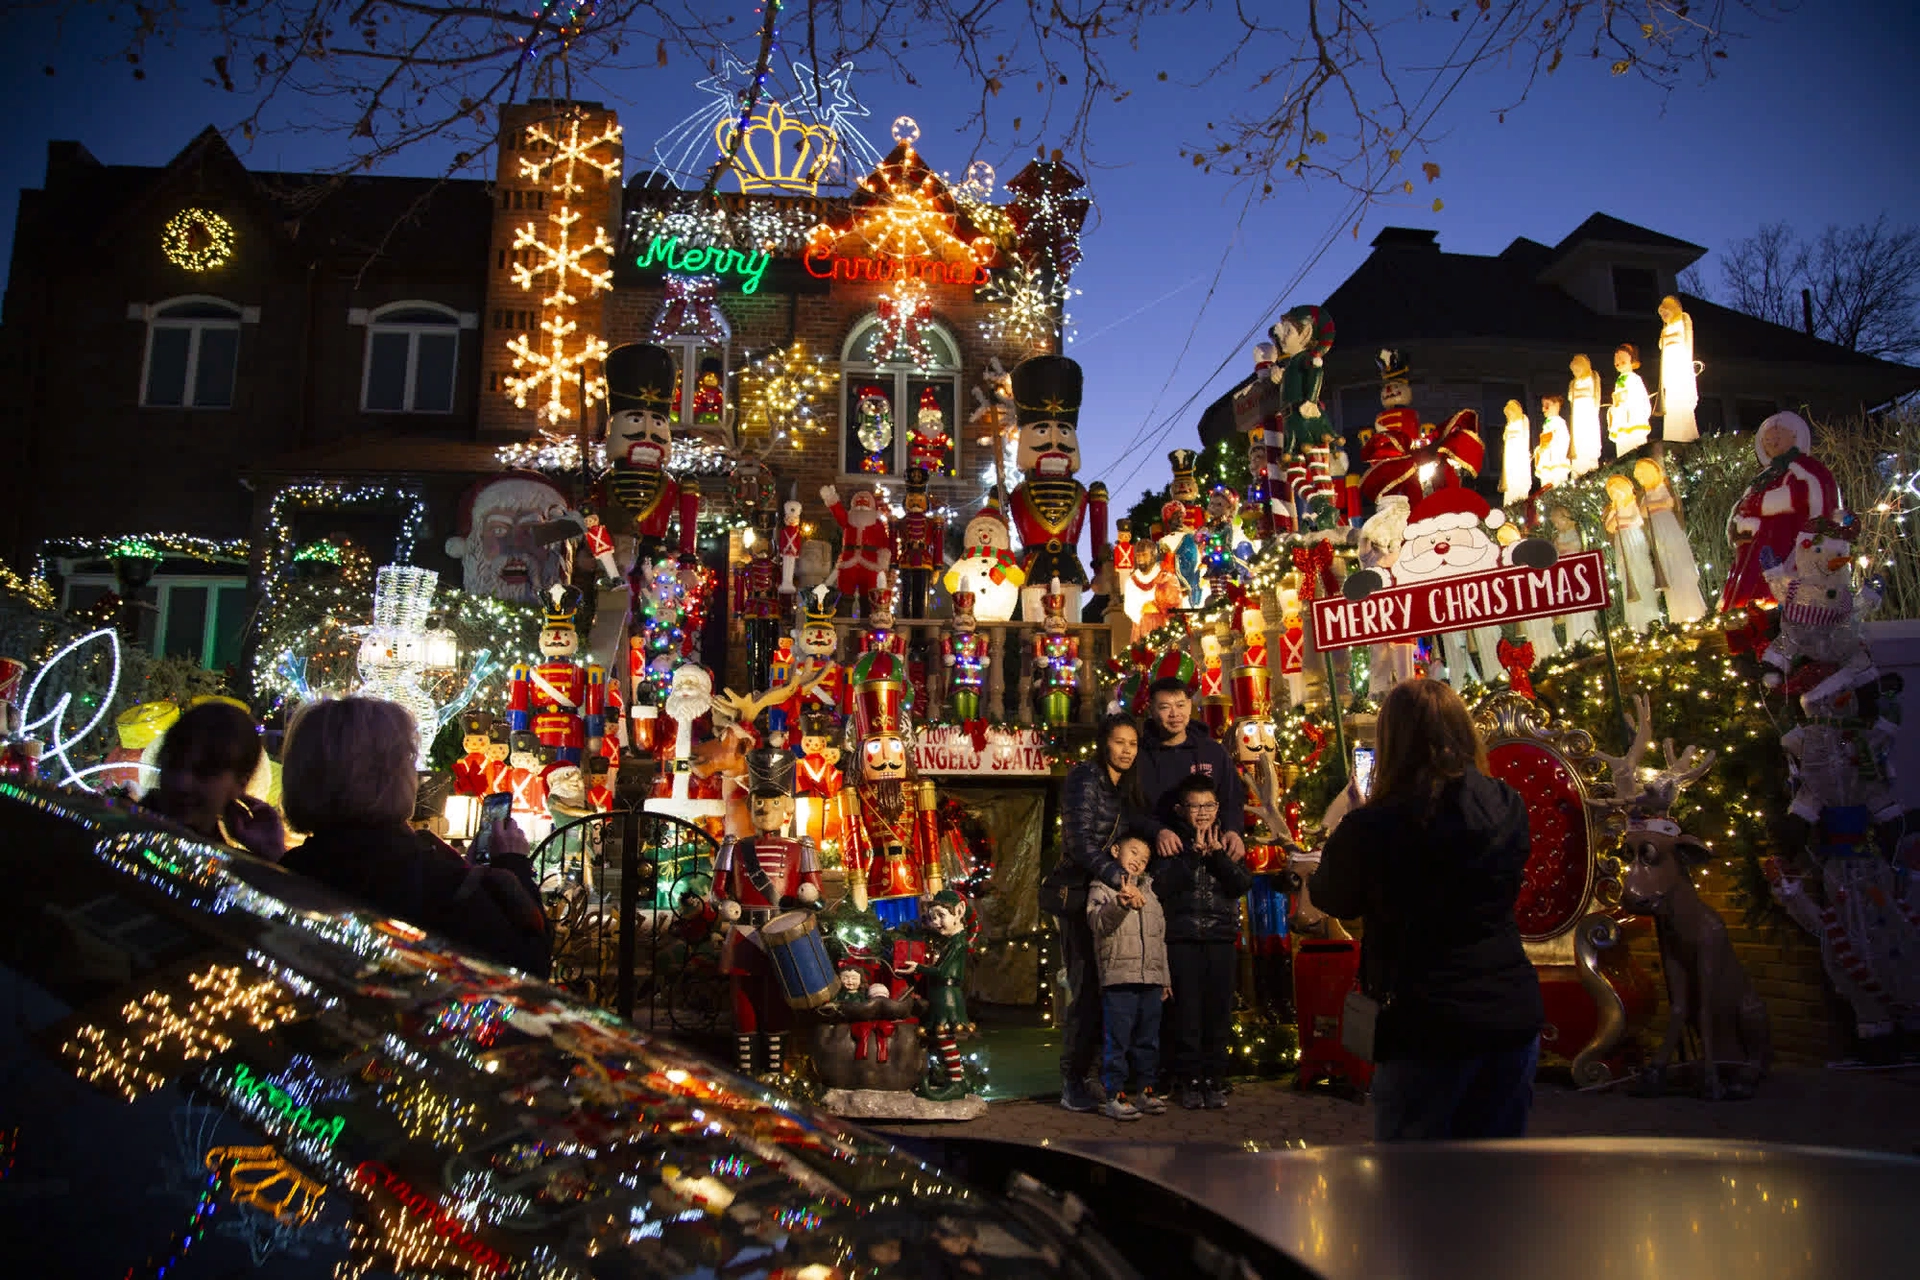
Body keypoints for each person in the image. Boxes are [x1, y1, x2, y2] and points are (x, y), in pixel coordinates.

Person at [1308, 680, 1543, 1141]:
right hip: (1507, 1006)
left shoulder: (1374, 824)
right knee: (1498, 1170)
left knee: (1412, 1176)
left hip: (1424, 1017)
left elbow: (1335, 899)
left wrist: (1340, 837)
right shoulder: (1506, 804)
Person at [278, 697, 550, 976]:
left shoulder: (288, 871)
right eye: (409, 758)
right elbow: (528, 968)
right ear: (387, 774)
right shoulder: (433, 882)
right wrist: (513, 864)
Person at [1044, 712, 1149, 1112]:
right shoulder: (1085, 778)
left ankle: (1095, 1077)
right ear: (1105, 742)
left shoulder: (1127, 786)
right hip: (1078, 896)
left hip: (1108, 895)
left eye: (1133, 744)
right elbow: (1079, 842)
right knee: (1086, 989)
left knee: (1111, 990)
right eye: (1120, 742)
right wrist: (1117, 873)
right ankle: (1073, 1082)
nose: (1126, 751)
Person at [1152, 774, 1253, 1110]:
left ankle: (1215, 1079)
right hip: (1182, 939)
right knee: (1187, 1014)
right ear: (1182, 810)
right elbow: (1161, 888)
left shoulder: (1229, 841)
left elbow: (1241, 885)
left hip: (1221, 939)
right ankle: (1190, 1080)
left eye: (1208, 805)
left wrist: (1216, 856)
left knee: (1218, 1013)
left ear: (1217, 807)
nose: (1202, 812)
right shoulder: (1171, 843)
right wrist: (1193, 856)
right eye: (1195, 806)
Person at [1086, 835, 1171, 1121]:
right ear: (1115, 851)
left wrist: (1165, 978)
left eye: (1144, 858)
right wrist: (1119, 904)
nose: (1138, 860)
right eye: (1133, 852)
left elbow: (1160, 940)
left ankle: (1146, 1090)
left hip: (1151, 979)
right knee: (1118, 1040)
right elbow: (1097, 923)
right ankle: (1115, 1094)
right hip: (1119, 978)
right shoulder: (1102, 887)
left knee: (1148, 1039)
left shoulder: (1151, 892)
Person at [144, 700, 286, 862]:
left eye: (205, 772)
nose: (182, 783)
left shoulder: (216, 860)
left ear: (240, 783)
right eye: (174, 764)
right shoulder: (129, 836)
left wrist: (270, 854)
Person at [1136, 678, 1245, 860]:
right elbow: (1129, 808)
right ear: (1151, 710)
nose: (1174, 714)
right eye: (1165, 707)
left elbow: (1232, 799)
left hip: (1211, 851)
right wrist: (1157, 831)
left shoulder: (1213, 752)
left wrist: (1233, 831)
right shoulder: (1140, 755)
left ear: (1189, 705)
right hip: (1160, 854)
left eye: (1180, 705)